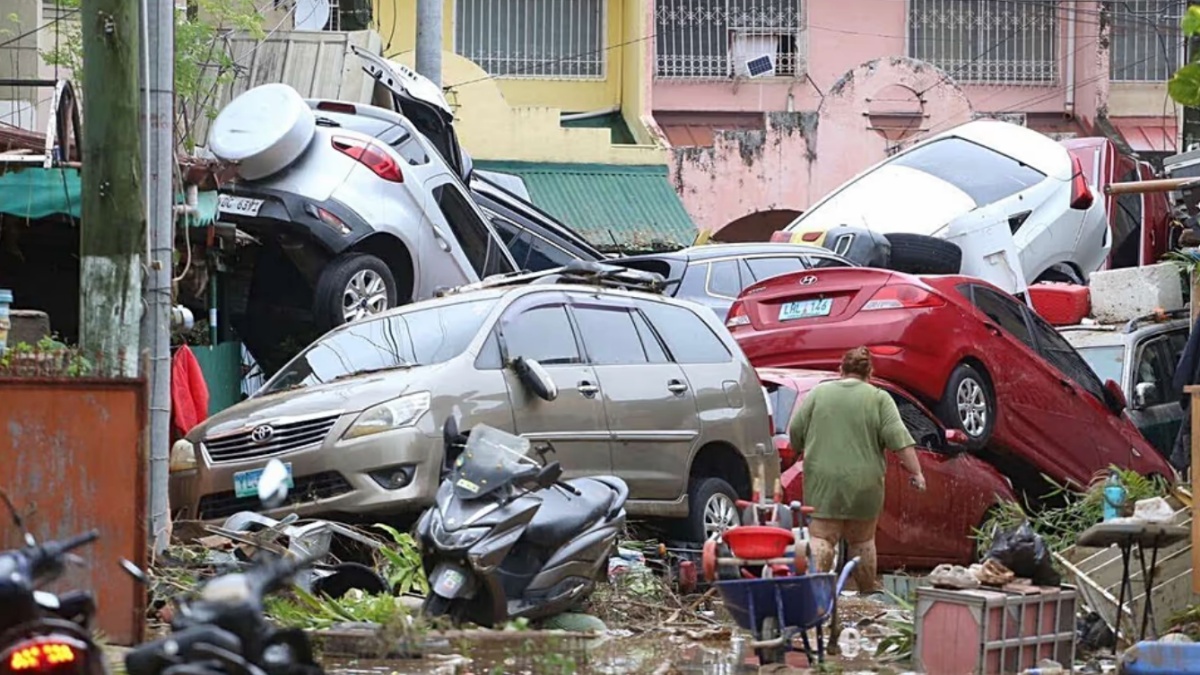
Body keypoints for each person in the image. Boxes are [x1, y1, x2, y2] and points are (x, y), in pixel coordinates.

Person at [788, 346, 926, 597]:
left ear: (840, 370)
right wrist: (916, 473)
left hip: (823, 481)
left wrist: (797, 450)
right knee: (862, 541)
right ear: (869, 373)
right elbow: (899, 439)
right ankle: (867, 595)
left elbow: (795, 431)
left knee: (822, 538)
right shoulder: (879, 398)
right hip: (865, 483)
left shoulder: (819, 393)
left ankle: (817, 597)